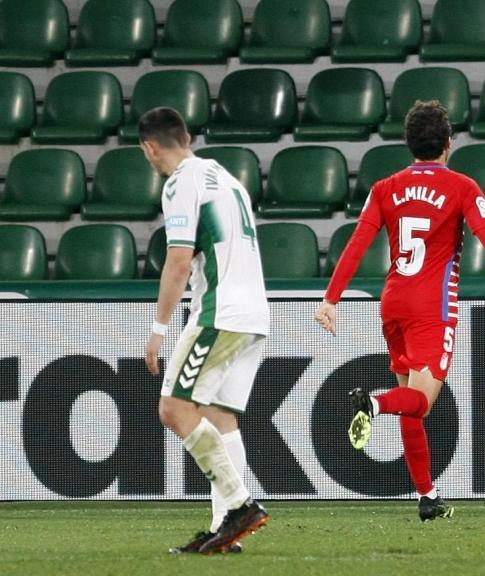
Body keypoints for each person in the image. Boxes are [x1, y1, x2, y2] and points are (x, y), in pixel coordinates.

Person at [315, 100, 485, 521]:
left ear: (409, 145)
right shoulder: (462, 187)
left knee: (411, 401)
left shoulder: (385, 187)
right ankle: (374, 404)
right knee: (417, 401)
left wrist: (331, 298)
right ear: (448, 144)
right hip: (431, 306)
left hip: (394, 302)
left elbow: (358, 243)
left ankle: (427, 495)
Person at [140, 107, 270, 552]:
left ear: (149, 148)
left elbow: (178, 260)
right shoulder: (225, 177)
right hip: (255, 313)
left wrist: (158, 328)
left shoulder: (179, 183)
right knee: (218, 415)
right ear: (188, 136)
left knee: (174, 410)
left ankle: (239, 505)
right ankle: (225, 531)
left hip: (221, 312)